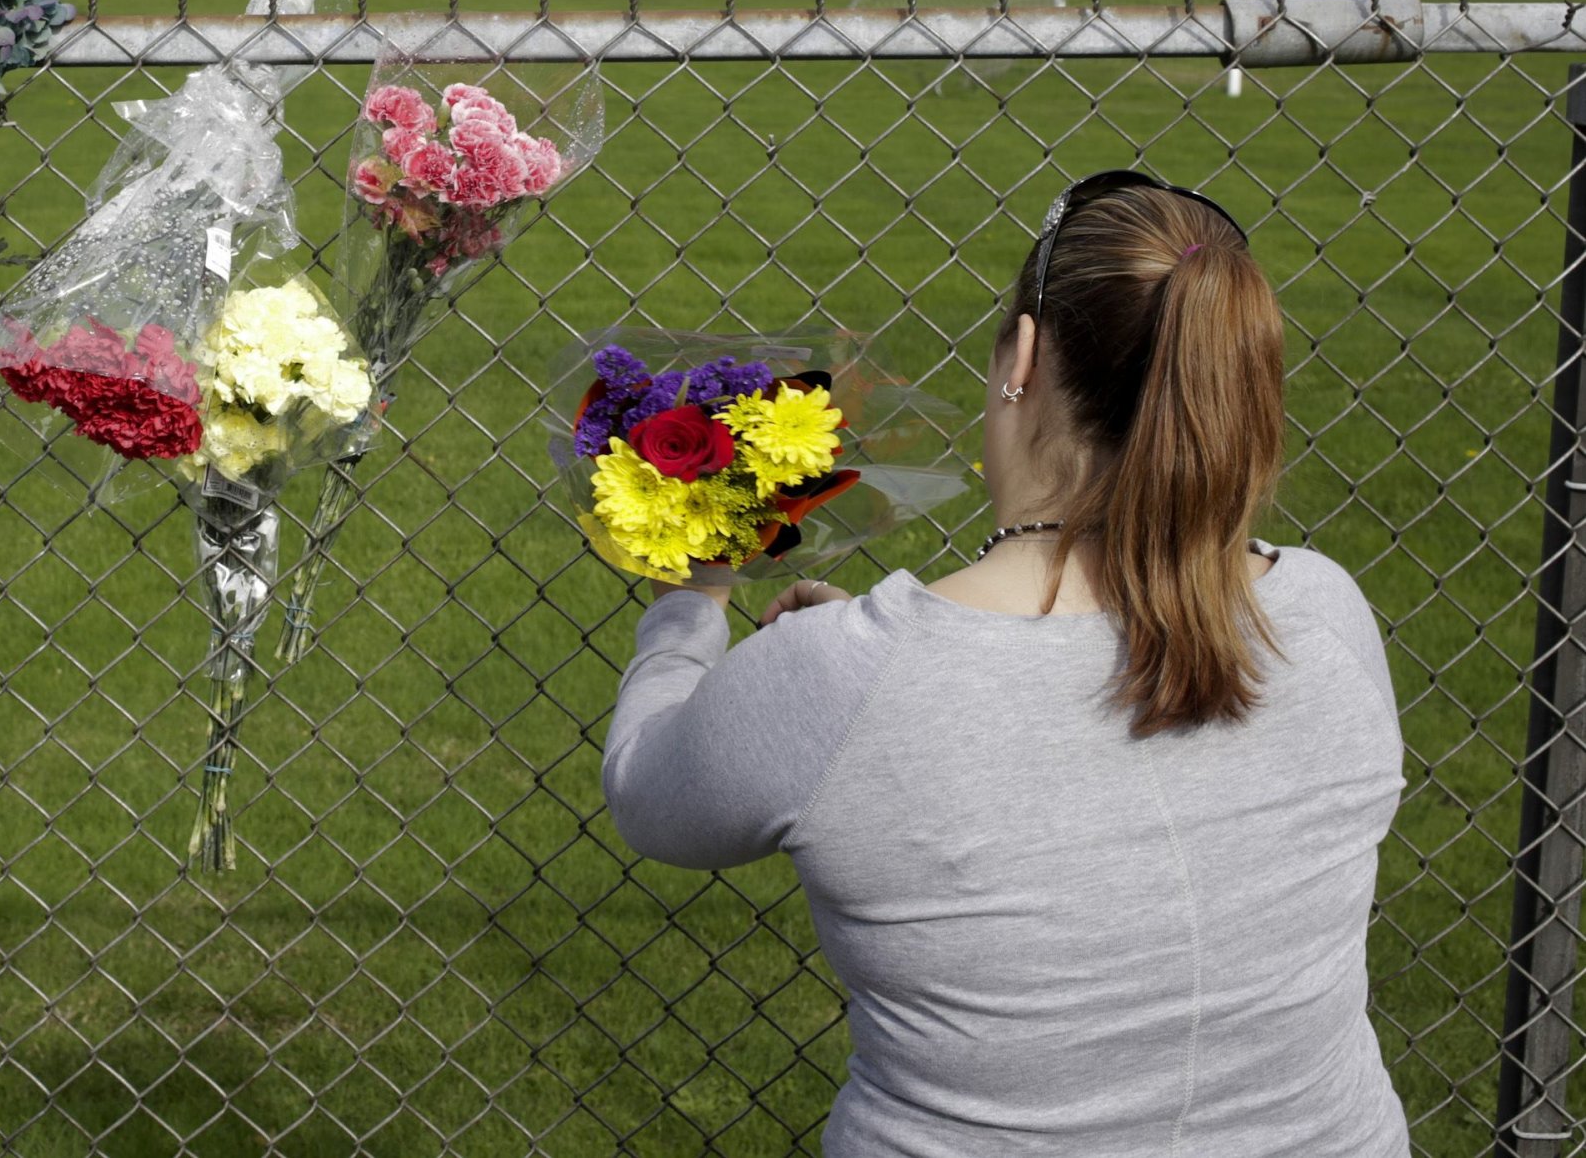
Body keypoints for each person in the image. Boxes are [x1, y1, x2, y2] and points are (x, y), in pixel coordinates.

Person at [602, 171, 1408, 1155]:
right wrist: (874, 662)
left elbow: (648, 789)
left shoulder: (841, 679)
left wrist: (691, 601)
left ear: (1022, 356)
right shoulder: (1319, 610)